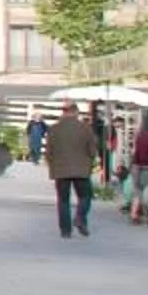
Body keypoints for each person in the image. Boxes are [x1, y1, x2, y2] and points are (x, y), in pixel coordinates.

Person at [47, 101, 102, 238]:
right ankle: (80, 217)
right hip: (81, 169)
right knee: (85, 196)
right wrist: (92, 161)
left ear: (63, 112)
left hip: (61, 170)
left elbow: (49, 152)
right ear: (76, 112)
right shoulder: (85, 128)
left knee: (63, 200)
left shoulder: (54, 129)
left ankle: (65, 231)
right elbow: (92, 150)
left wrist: (52, 166)